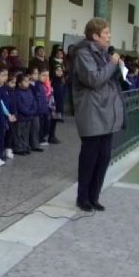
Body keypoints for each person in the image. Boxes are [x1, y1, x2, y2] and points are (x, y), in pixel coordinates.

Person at [71, 17, 125, 212]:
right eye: (106, 33)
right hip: (92, 112)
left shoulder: (103, 54)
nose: (109, 37)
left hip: (106, 113)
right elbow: (94, 79)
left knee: (103, 158)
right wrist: (112, 63)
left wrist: (118, 68)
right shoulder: (83, 54)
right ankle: (82, 197)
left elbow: (108, 78)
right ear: (95, 35)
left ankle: (94, 197)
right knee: (89, 158)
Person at [0, 67, 16, 165]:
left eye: (6, 75)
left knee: (3, 135)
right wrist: (8, 114)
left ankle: (1, 153)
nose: (5, 78)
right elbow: (0, 103)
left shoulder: (6, 88)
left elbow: (10, 102)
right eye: (2, 75)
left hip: (6, 116)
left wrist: (12, 113)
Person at [14, 73, 39, 155]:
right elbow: (20, 106)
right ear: (19, 83)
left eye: (28, 81)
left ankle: (25, 147)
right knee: (19, 133)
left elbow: (34, 102)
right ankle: (19, 148)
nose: (27, 83)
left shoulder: (29, 91)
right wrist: (29, 112)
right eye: (25, 81)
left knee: (26, 133)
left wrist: (33, 110)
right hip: (21, 117)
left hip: (29, 117)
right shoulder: (17, 93)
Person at [49, 64, 68, 144]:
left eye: (61, 71)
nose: (59, 72)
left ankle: (52, 135)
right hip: (54, 104)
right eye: (57, 70)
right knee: (52, 121)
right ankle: (51, 136)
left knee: (55, 121)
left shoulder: (61, 81)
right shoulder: (53, 81)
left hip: (59, 103)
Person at [34, 68, 52, 146]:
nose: (45, 77)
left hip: (44, 109)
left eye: (47, 75)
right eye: (43, 75)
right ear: (38, 75)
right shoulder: (37, 85)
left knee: (45, 124)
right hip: (39, 110)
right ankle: (40, 139)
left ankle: (42, 138)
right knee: (40, 126)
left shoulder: (43, 85)